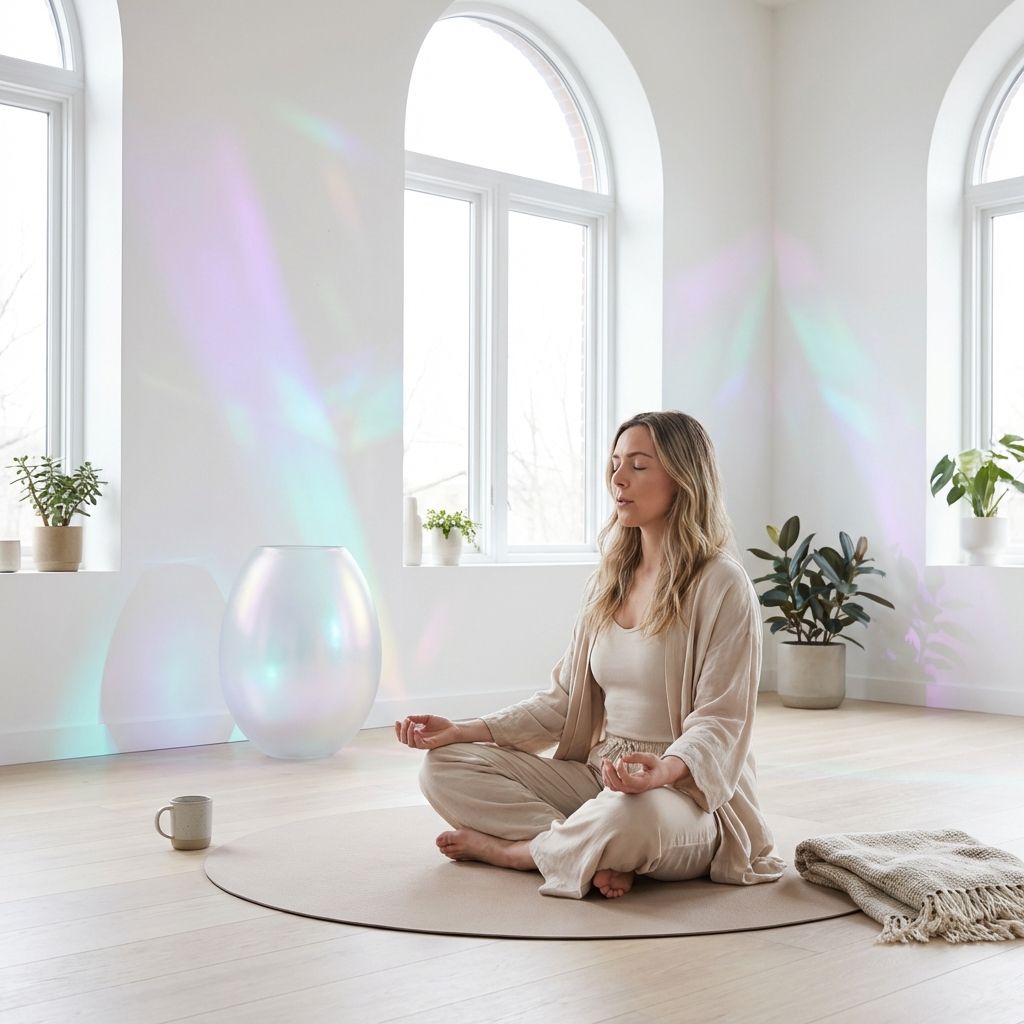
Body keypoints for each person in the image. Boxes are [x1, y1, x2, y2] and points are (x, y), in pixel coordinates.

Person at [395, 410, 785, 899]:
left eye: (639, 466)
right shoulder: (608, 581)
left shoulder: (722, 584)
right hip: (601, 775)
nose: (618, 479)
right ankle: (591, 849)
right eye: (616, 464)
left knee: (630, 815)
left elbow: (721, 721)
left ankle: (521, 852)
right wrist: (463, 730)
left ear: (684, 478)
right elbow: (562, 701)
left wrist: (662, 771)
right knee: (443, 768)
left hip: (685, 793)